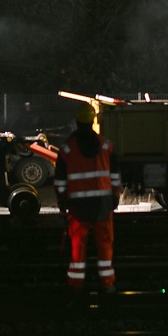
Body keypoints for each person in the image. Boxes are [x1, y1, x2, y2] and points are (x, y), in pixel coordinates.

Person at [53, 103, 121, 293]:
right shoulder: (106, 146)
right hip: (103, 205)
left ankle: (76, 285)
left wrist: (62, 201)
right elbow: (115, 176)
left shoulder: (67, 149)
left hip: (78, 206)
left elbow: (60, 182)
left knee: (78, 247)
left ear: (77, 121)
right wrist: (115, 197)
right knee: (105, 245)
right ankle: (107, 283)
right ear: (93, 121)